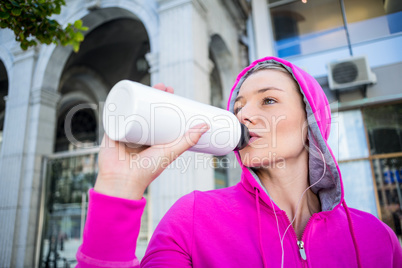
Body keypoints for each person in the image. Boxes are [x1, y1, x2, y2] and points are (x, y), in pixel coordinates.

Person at [75, 56, 402, 267]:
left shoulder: (377, 239)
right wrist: (118, 188)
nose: (243, 115)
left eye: (269, 100)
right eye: (238, 107)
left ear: (312, 123)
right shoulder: (192, 220)